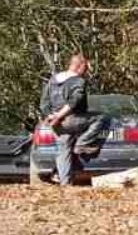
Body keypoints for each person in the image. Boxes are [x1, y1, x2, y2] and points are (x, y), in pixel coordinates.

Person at [40, 54, 109, 186]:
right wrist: (59, 115)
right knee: (101, 117)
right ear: (80, 66)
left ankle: (65, 184)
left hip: (57, 123)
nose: (86, 71)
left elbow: (44, 103)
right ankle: (82, 143)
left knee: (63, 151)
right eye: (86, 68)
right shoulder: (78, 81)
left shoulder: (53, 80)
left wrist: (51, 116)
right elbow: (74, 101)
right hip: (71, 119)